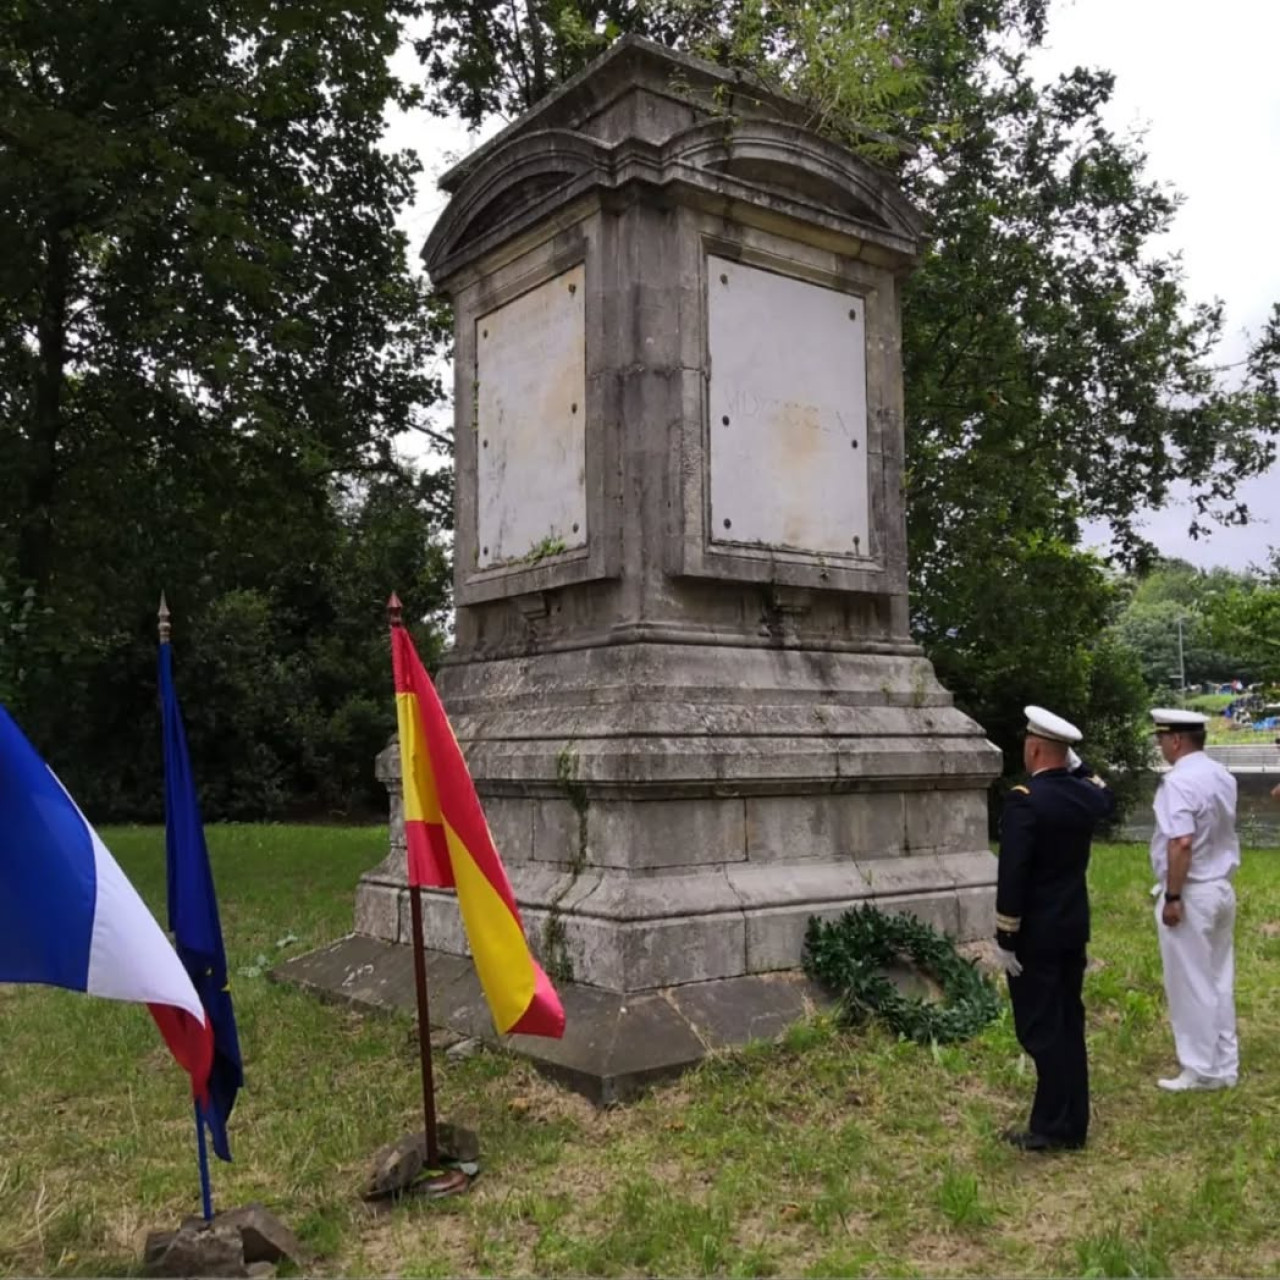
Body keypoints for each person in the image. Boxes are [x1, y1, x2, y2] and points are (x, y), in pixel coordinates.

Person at [994, 706, 1116, 1152]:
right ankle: (1068, 1121)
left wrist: (1006, 934)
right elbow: (1107, 794)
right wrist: (1077, 764)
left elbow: (1014, 875)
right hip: (1071, 927)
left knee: (1041, 1030)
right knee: (1067, 1022)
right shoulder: (1082, 796)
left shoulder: (1025, 799)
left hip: (1036, 935)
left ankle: (1054, 1127)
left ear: (1034, 748)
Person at [1149, 708, 1240, 1092]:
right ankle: (1223, 1063)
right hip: (1220, 886)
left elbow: (1181, 841)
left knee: (1190, 981)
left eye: (1161, 739)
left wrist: (1172, 895)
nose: (1160, 746)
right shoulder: (1222, 775)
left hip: (1192, 890)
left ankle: (1199, 1067)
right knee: (1219, 977)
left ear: (1175, 740)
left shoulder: (1178, 783)